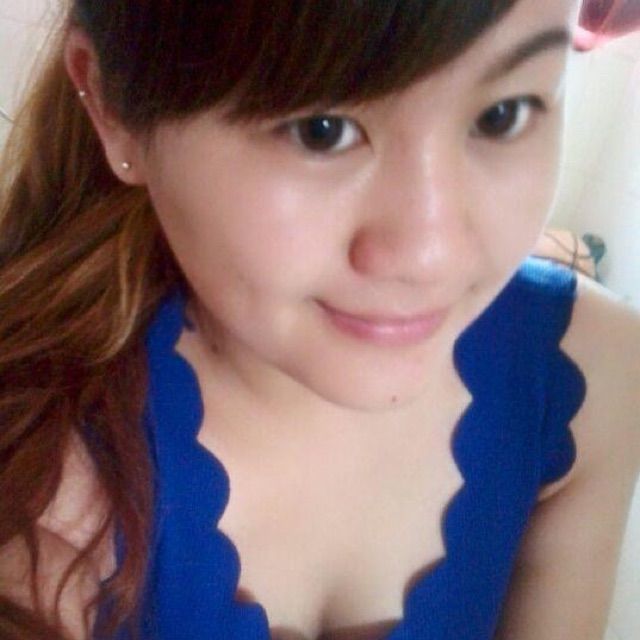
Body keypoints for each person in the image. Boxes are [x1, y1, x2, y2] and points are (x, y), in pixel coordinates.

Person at [0, 0, 638, 639]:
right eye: (321, 131)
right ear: (113, 108)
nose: (431, 255)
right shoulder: (44, 490)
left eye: (503, 116)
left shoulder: (590, 378)